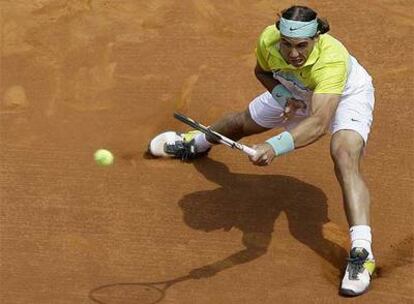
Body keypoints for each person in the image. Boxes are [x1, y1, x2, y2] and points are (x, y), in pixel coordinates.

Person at [148, 5, 375, 297]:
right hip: (297, 90)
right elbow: (262, 71)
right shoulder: (269, 40)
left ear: (316, 38)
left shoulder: (332, 61)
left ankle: (362, 253)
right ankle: (196, 143)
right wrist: (283, 97)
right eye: (287, 44)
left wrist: (273, 146)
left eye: (302, 46)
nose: (293, 53)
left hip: (345, 95)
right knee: (242, 122)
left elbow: (319, 123)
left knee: (344, 154)